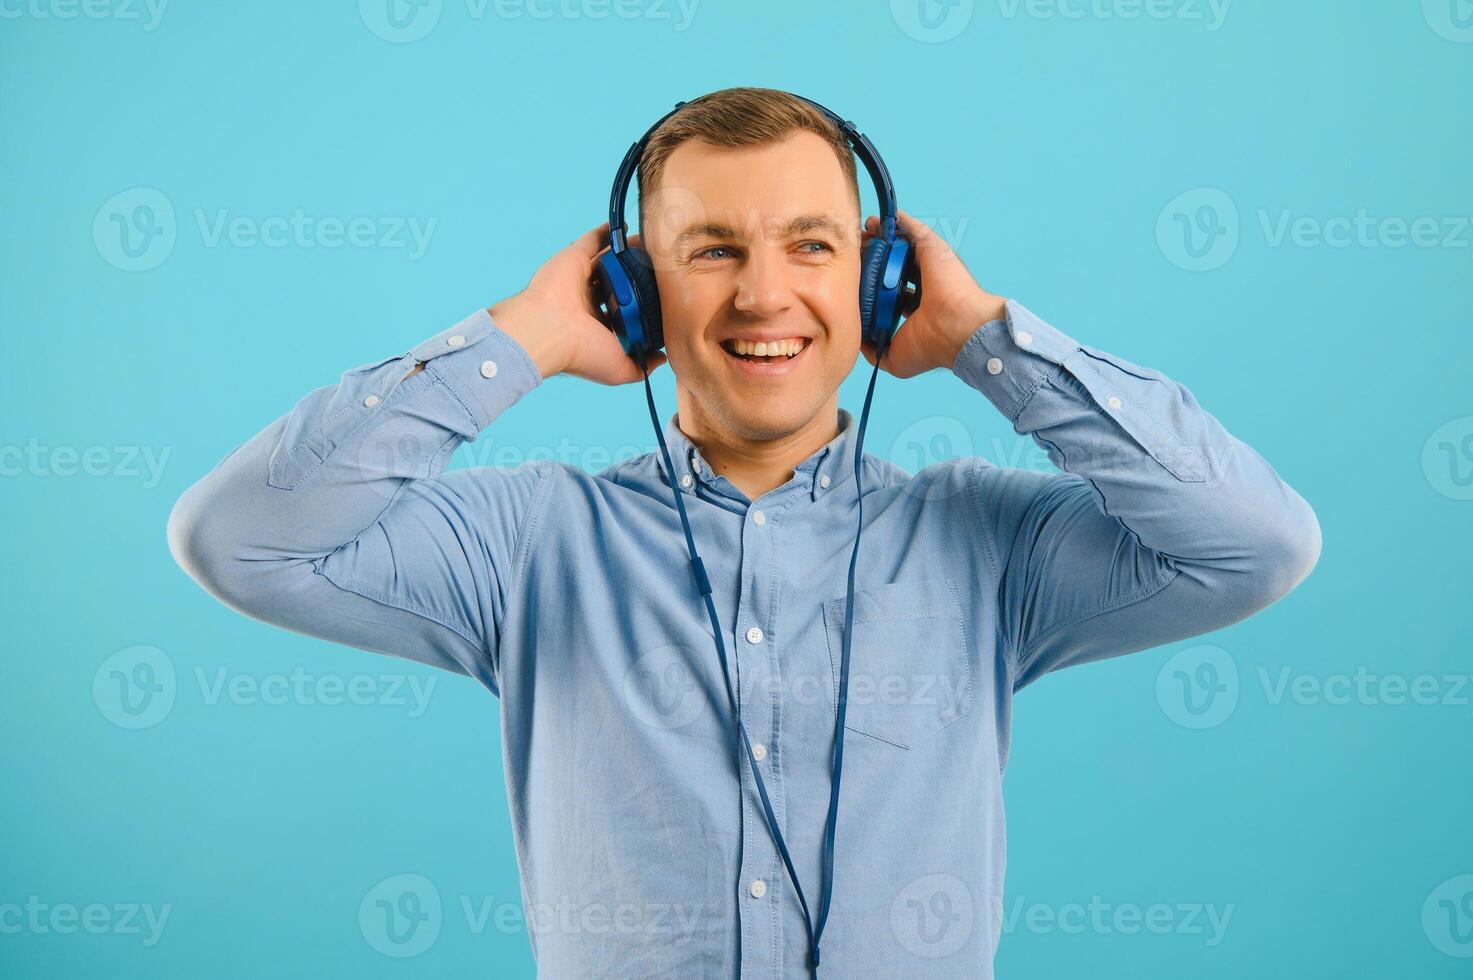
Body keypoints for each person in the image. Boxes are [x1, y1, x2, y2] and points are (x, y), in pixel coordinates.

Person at [167, 87, 1320, 979]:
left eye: (812, 245)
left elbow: (1255, 541)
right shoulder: (526, 544)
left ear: (876, 283)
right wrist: (519, 335)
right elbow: (241, 538)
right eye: (712, 248)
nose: (765, 295)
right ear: (631, 289)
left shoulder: (987, 544)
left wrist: (983, 337)